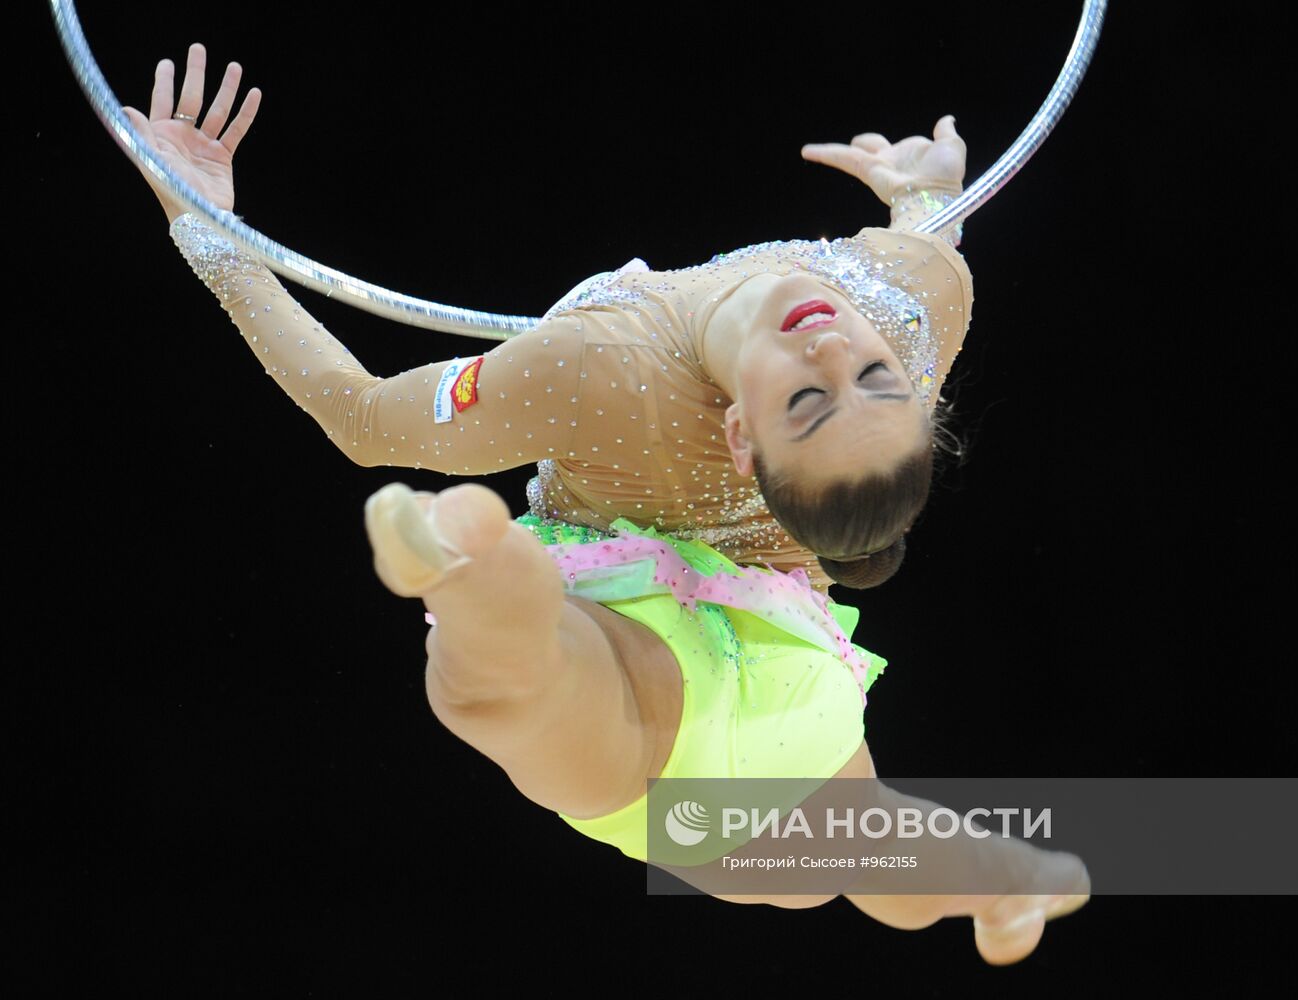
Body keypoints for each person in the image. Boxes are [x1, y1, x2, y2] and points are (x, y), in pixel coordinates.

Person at [119, 44, 1090, 965]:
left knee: (525, 687)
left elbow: (370, 418)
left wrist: (211, 234)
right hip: (793, 689)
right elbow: (925, 241)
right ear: (916, 389)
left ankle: (465, 566)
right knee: (862, 852)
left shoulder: (598, 370)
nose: (836, 350)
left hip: (649, 683)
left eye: (805, 400)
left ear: (742, 440)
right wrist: (925, 194)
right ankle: (1000, 881)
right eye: (875, 382)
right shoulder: (914, 302)